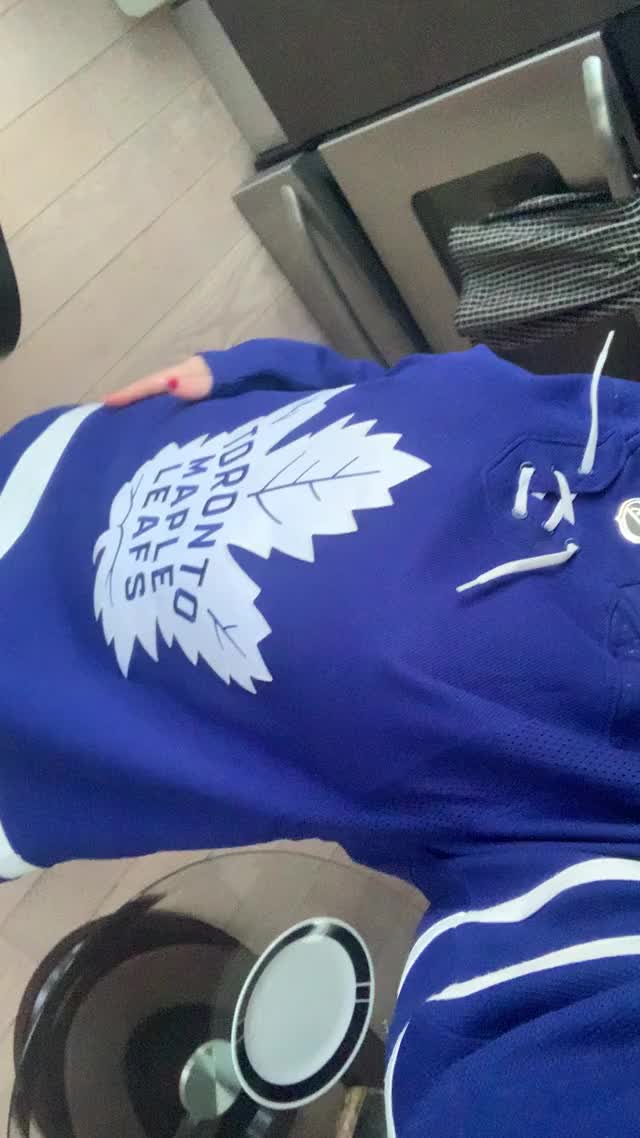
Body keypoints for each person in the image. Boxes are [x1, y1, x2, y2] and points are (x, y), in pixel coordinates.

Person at [1, 336, 639, 1134]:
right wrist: (277, 376)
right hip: (73, 457)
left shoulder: (599, 825)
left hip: (31, 711)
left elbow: (529, 1084)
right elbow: (443, 397)